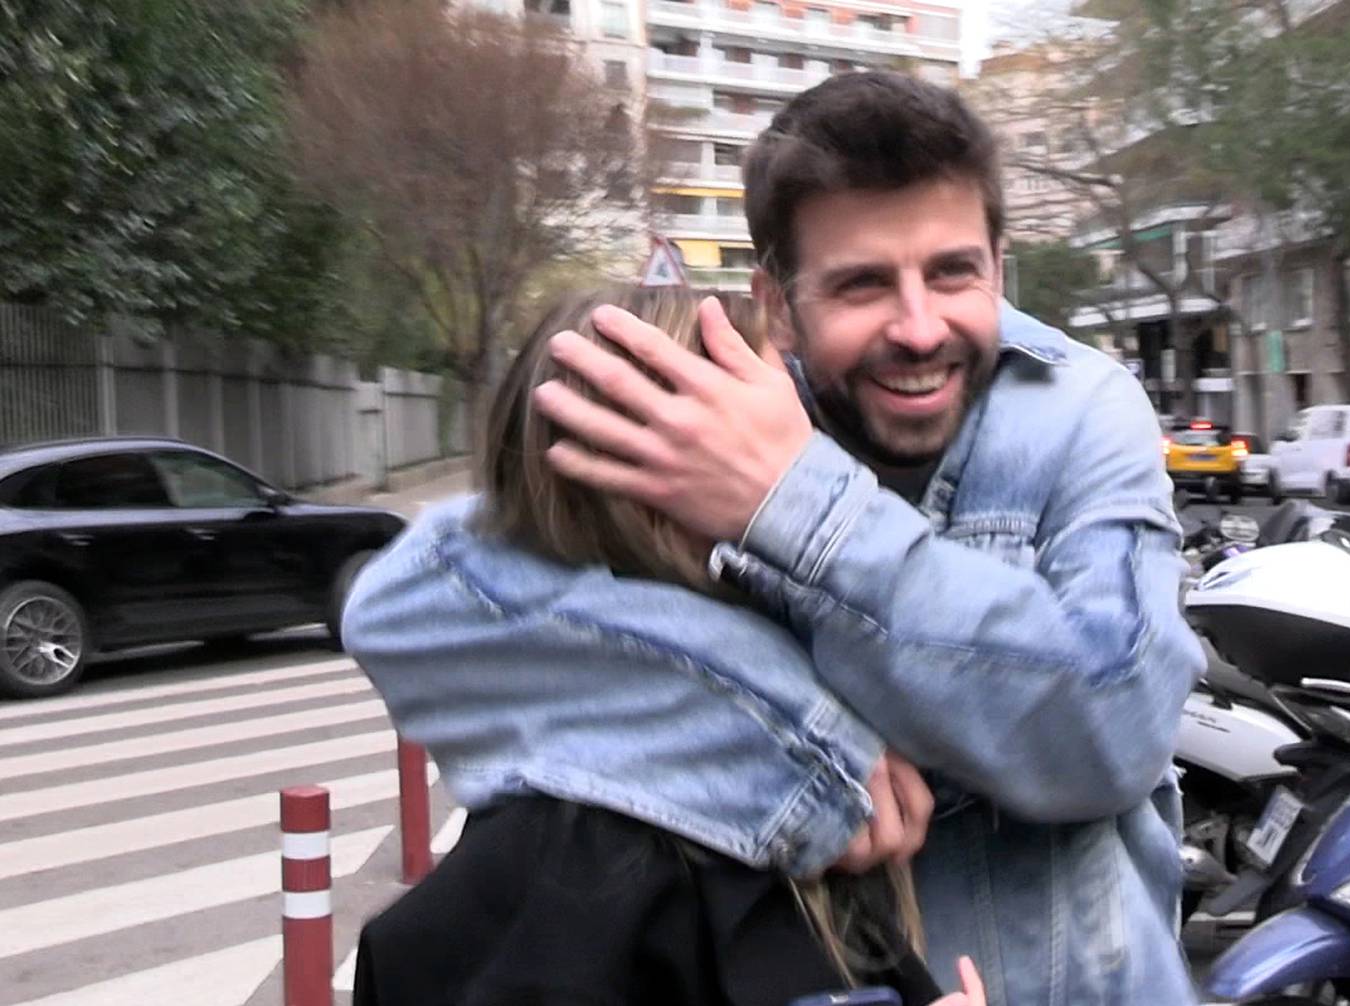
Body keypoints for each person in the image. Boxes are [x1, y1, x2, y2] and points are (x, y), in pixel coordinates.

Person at [347, 71, 1203, 1005]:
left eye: (954, 271)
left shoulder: (1080, 408)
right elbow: (420, 605)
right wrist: (807, 749)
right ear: (780, 303)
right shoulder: (714, 402)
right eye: (862, 284)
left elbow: (1114, 727)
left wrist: (793, 505)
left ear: (1000, 265)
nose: (919, 328)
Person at [350, 288, 977, 1005]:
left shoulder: (721, 768)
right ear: (649, 491)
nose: (812, 475)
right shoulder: (609, 859)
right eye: (769, 441)